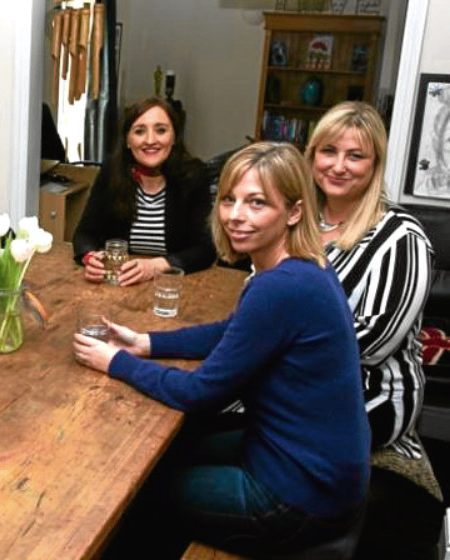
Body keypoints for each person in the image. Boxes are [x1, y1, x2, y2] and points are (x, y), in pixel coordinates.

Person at [73, 142, 370, 558]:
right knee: (170, 453)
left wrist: (116, 362)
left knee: (135, 491)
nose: (235, 216)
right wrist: (146, 343)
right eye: (229, 200)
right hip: (316, 467)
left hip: (299, 495)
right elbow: (231, 331)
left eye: (257, 203)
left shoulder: (280, 287)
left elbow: (200, 394)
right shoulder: (304, 266)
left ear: (295, 211)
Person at [305, 101, 444, 558]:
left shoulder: (400, 237)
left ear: (375, 164)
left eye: (355, 156)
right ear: (311, 156)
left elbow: (370, 342)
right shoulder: (300, 223)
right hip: (296, 383)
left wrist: (272, 355)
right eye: (328, 151)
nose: (338, 166)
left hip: (371, 398)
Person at [72, 97, 215, 286]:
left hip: (173, 285)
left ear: (174, 138)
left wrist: (157, 266)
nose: (150, 140)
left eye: (161, 130)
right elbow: (84, 234)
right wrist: (90, 258)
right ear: (128, 141)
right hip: (119, 283)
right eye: (139, 131)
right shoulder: (111, 172)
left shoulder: (195, 175)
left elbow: (205, 249)